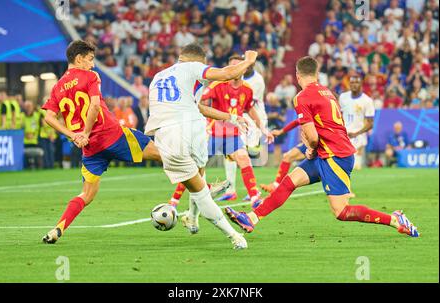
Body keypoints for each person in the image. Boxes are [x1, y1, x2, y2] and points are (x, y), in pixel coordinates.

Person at [225, 56, 419, 238]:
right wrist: (313, 147)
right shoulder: (327, 93)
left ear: (297, 75)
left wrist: (310, 147)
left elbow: (313, 136)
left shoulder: (302, 97)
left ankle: (395, 220)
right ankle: (251, 218)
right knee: (288, 182)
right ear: (317, 74)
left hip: (335, 156)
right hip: (326, 153)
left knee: (342, 211)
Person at [41, 40, 162, 244]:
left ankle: (57, 229)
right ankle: (201, 188)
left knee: (86, 194)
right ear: (79, 59)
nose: (93, 65)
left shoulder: (57, 87)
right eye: (90, 59)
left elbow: (49, 118)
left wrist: (74, 135)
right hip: (111, 135)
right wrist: (86, 132)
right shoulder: (90, 76)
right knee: (161, 155)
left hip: (90, 149)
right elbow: (95, 106)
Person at [145, 44, 259, 250]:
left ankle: (192, 217)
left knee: (199, 175)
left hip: (167, 134)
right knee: (200, 192)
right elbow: (227, 73)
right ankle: (234, 235)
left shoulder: (159, 76)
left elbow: (195, 106)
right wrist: (249, 61)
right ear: (199, 61)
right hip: (188, 130)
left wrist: (231, 117)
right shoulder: (191, 68)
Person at [203, 55, 274, 204]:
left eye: (237, 66)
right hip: (214, 132)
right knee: (197, 165)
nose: (234, 69)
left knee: (243, 157)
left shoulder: (247, 89)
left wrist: (263, 129)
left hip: (232, 135)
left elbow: (250, 108)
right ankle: (174, 201)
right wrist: (203, 122)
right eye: (231, 67)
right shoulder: (218, 85)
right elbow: (200, 99)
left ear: (243, 68)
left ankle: (254, 196)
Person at [339, 75, 375, 170]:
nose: (354, 85)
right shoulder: (343, 97)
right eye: (352, 83)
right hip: (344, 135)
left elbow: (370, 123)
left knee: (355, 166)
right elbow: (339, 115)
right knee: (342, 166)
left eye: (357, 82)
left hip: (358, 136)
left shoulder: (367, 101)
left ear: (361, 84)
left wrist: (357, 133)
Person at [22, 100, 43, 169]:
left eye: (29, 106)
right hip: (24, 143)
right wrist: (25, 134)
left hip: (36, 142)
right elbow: (18, 128)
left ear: (33, 107)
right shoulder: (21, 116)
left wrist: (33, 135)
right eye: (26, 106)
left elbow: (41, 127)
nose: (28, 108)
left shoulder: (37, 116)